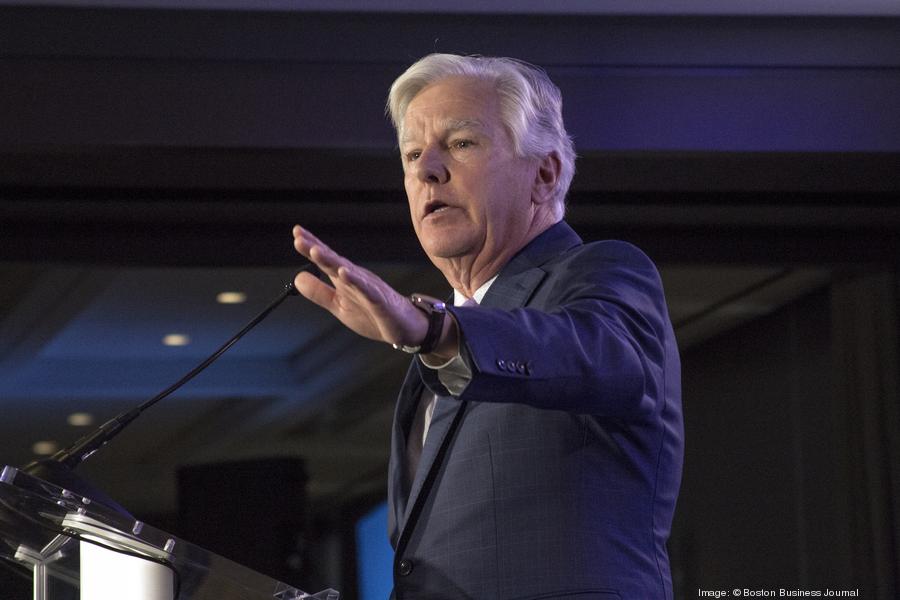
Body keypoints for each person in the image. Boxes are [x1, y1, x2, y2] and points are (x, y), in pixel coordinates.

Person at [292, 53, 683, 600]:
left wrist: (437, 332)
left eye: (460, 143)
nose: (426, 169)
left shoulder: (602, 273)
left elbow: (595, 355)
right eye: (412, 154)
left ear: (544, 174)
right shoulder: (434, 352)